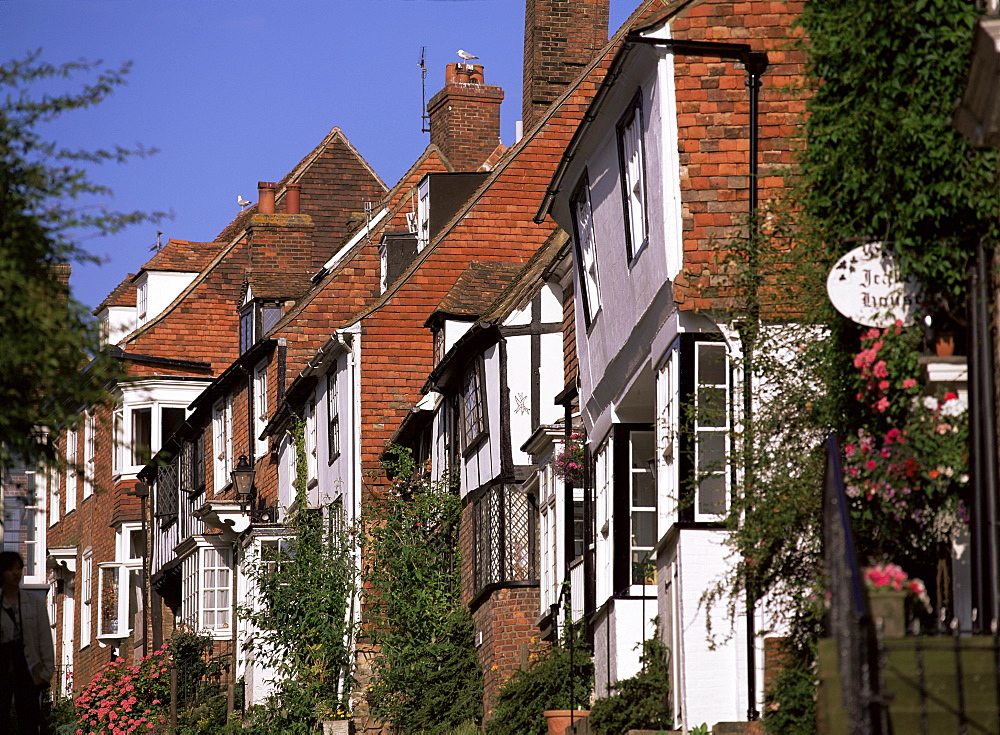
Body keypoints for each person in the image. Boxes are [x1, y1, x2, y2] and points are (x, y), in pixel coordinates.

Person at [0, 551, 54, 735]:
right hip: (2, 667)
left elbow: (44, 638)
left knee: (29, 720)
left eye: (18, 568)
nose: (16, 573)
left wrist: (46, 673)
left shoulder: (34, 603)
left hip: (28, 668)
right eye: (10, 569)